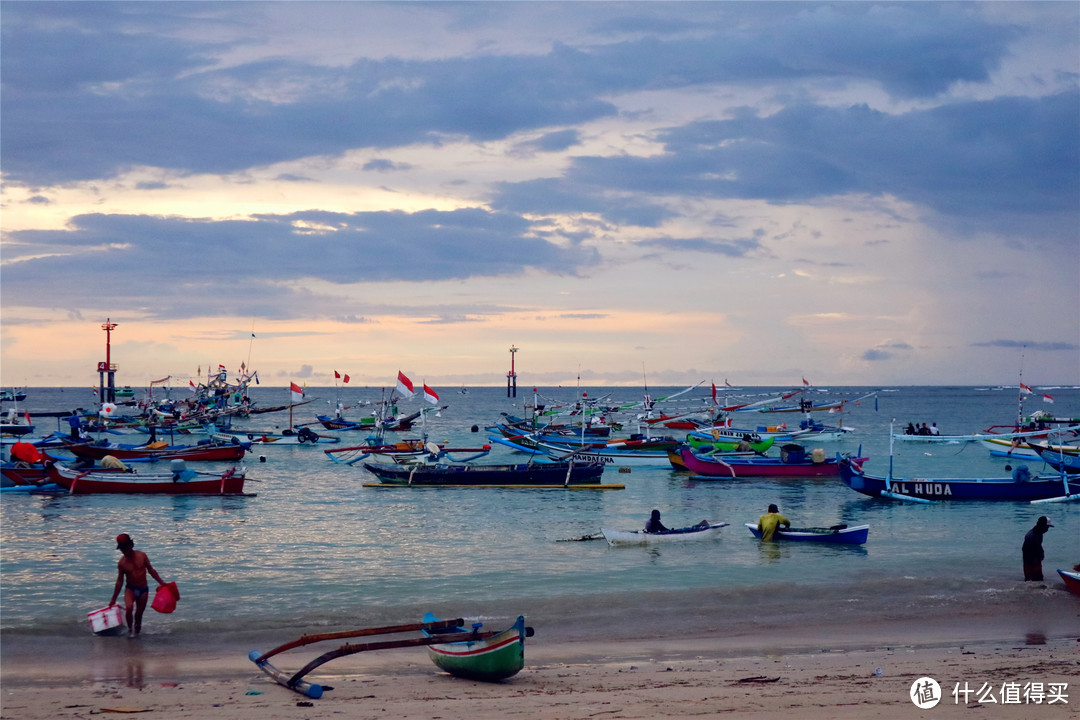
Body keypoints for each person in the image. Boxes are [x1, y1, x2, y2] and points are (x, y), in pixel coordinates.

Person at [109, 533, 166, 637]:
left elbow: (151, 571)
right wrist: (113, 599)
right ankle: (130, 631)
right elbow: (119, 581)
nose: (123, 551)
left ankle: (137, 637)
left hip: (143, 589)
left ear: (131, 545)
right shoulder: (122, 563)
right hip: (130, 589)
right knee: (129, 608)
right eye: (121, 549)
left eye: (124, 548)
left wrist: (162, 583)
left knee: (139, 614)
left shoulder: (142, 556)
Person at [1022, 516, 1053, 581]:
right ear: (1041, 525)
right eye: (1046, 527)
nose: (1047, 530)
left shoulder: (1039, 533)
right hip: (1030, 562)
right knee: (1030, 580)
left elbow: (1038, 545)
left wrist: (1042, 552)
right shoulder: (1030, 536)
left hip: (1036, 560)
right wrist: (1033, 562)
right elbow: (1025, 550)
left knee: (1039, 580)